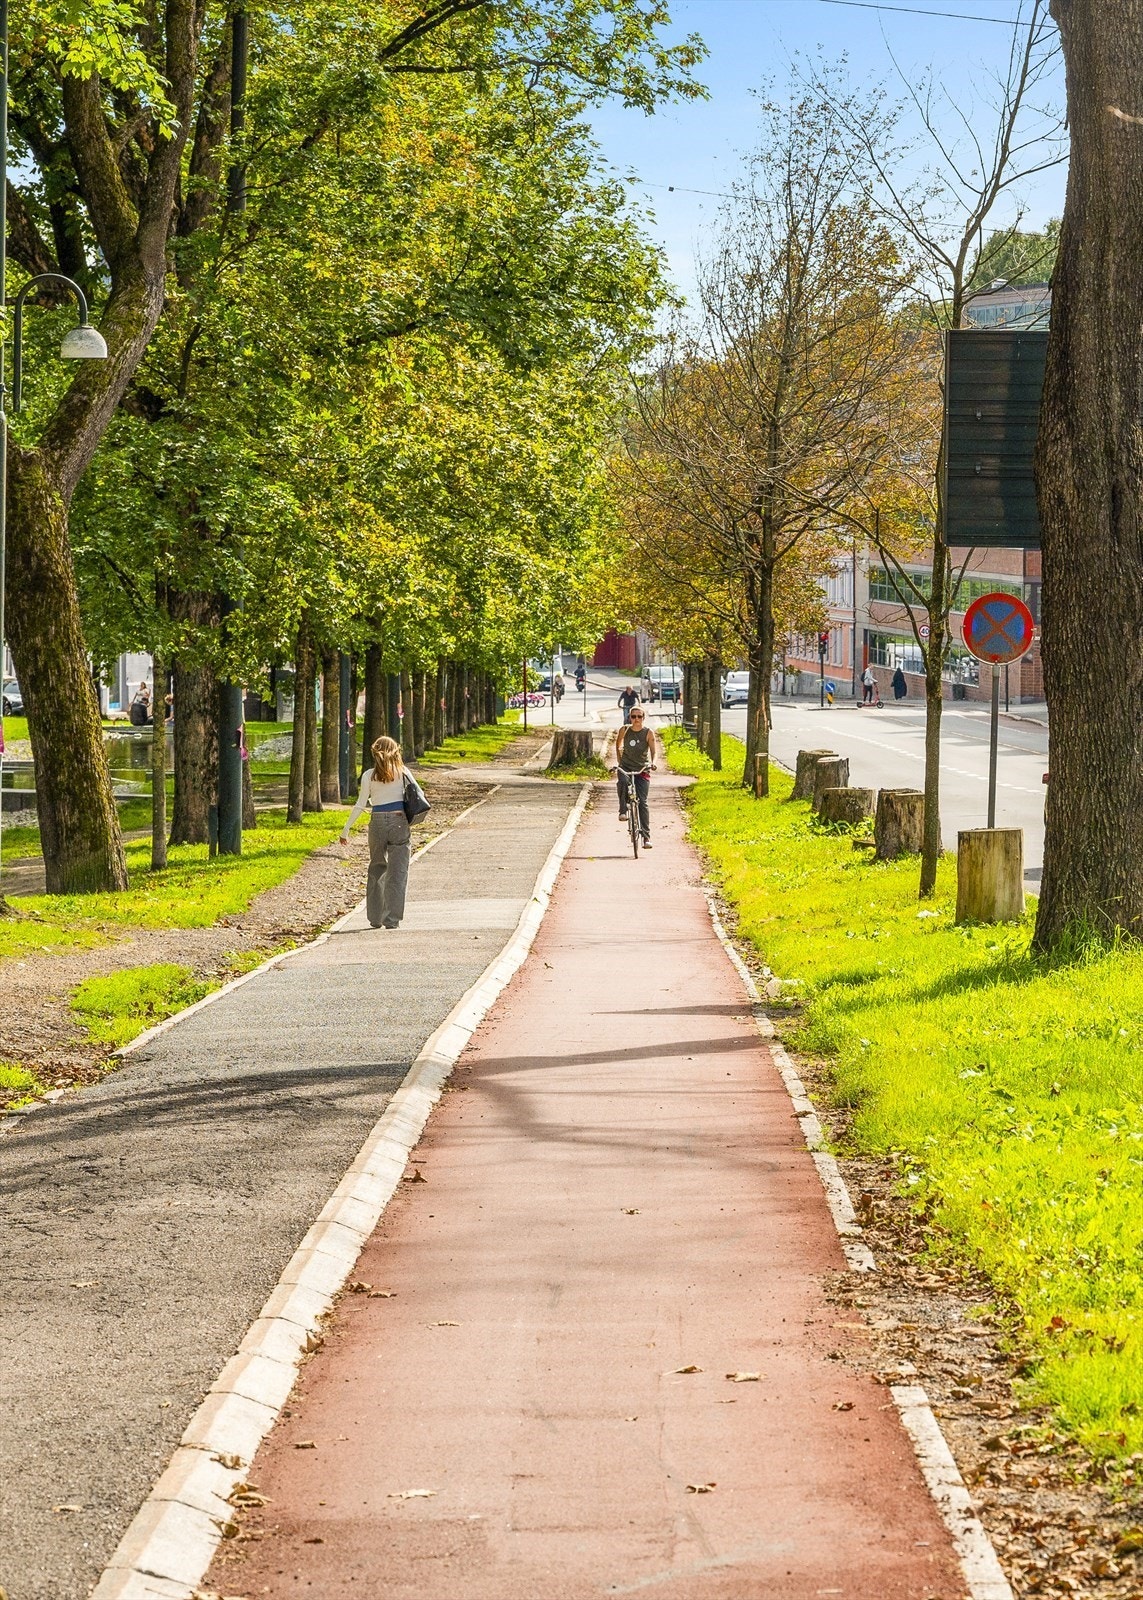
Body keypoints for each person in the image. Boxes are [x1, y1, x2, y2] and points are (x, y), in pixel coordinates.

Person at [339, 735, 429, 929]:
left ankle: (375, 918)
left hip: (377, 822)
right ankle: (392, 919)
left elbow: (360, 804)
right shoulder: (403, 771)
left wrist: (346, 830)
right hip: (398, 821)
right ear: (395, 750)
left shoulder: (368, 775)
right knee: (397, 872)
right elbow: (420, 795)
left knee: (377, 868)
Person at [614, 705, 657, 849]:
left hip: (642, 768)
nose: (636, 719)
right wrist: (619, 762)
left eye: (639, 716)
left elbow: (654, 752)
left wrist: (653, 763)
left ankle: (646, 837)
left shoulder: (648, 733)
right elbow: (618, 744)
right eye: (633, 716)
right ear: (630, 718)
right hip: (626, 766)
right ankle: (623, 810)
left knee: (643, 802)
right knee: (622, 782)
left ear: (643, 718)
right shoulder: (624, 730)